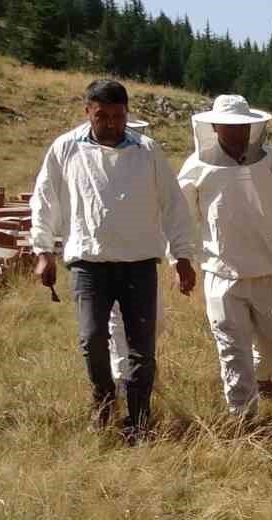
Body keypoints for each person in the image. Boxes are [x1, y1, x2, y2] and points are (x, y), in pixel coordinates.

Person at [30, 79, 197, 442]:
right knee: (92, 338)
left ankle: (138, 420)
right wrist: (43, 251)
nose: (110, 123)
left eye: (118, 116)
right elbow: (45, 201)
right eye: (102, 115)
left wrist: (182, 256)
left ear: (127, 114)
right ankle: (104, 403)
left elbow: (173, 205)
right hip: (89, 262)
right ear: (87, 110)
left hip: (139, 262)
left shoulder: (147, 149)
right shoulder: (66, 148)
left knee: (142, 346)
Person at [176, 94, 272, 418]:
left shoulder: (270, 161)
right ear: (216, 126)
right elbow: (179, 216)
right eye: (231, 127)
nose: (238, 133)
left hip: (268, 266)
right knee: (232, 348)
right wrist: (180, 259)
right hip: (221, 270)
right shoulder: (197, 166)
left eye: (244, 127)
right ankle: (243, 418)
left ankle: (262, 376)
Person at [106, 118, 166, 388]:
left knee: (153, 322)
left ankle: (137, 371)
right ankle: (122, 380)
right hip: (106, 260)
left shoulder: (148, 164)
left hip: (143, 260)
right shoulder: (95, 170)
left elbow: (167, 207)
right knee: (117, 322)